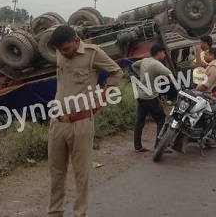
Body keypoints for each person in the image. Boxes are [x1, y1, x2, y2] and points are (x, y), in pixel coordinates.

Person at [46, 25, 122, 217]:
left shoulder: (92, 53)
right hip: (57, 122)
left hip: (81, 124)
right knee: (56, 174)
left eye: (66, 48)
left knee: (81, 175)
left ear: (76, 40)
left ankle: (80, 213)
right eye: (60, 50)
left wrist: (100, 100)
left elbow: (117, 72)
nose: (63, 53)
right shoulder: (60, 54)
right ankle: (55, 212)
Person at [131, 44, 172, 152]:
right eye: (163, 53)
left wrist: (142, 76)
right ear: (158, 53)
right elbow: (169, 73)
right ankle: (159, 146)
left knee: (140, 120)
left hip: (141, 96)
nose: (164, 55)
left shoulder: (145, 60)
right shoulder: (155, 64)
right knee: (162, 119)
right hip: (150, 97)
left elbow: (134, 65)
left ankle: (137, 146)